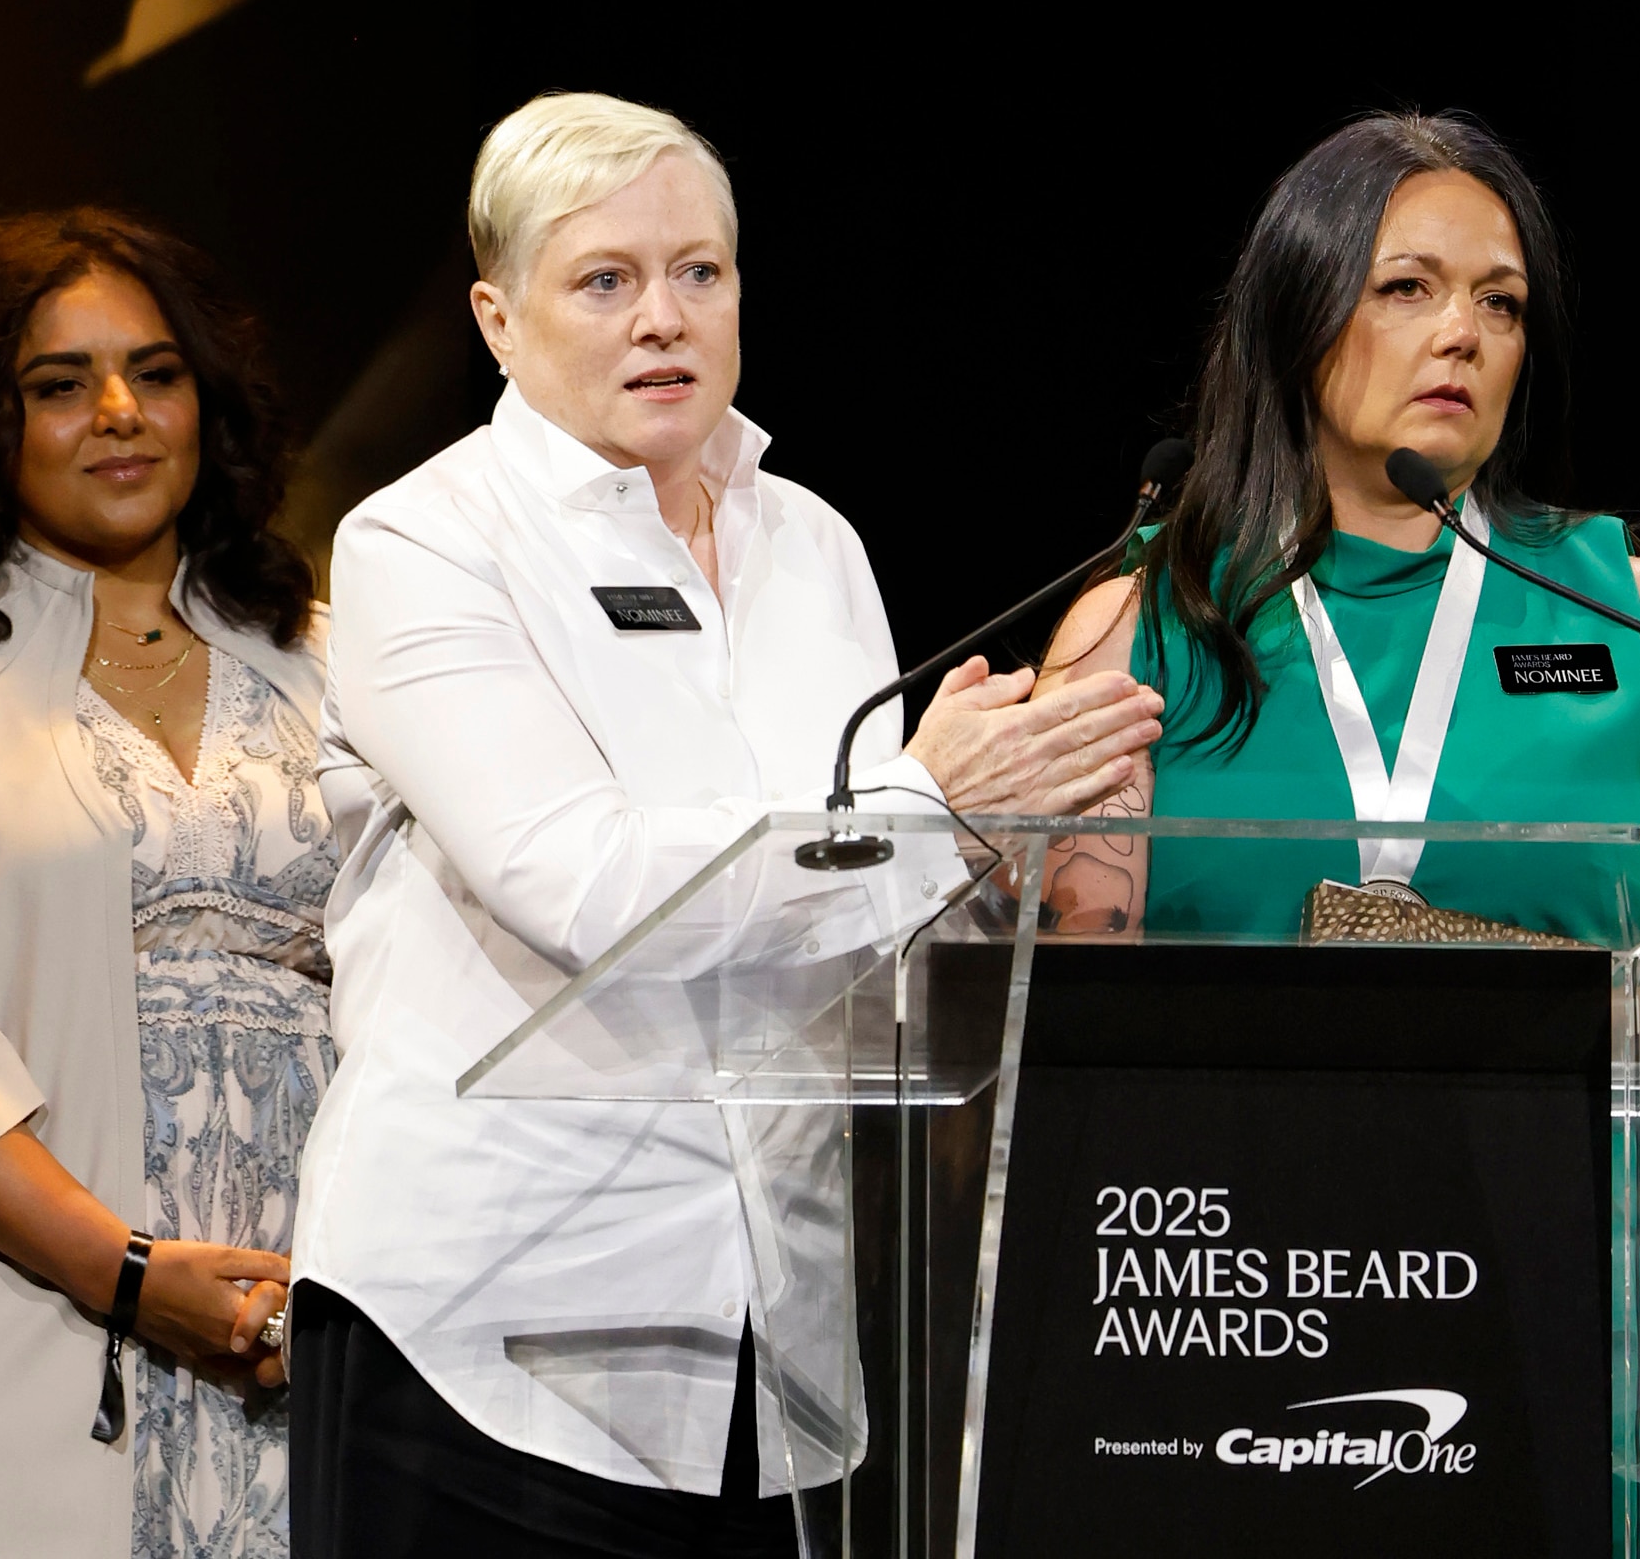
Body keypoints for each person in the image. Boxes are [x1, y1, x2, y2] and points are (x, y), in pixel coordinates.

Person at [288, 92, 1162, 1559]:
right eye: (606, 281)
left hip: (780, 1330)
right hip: (492, 1322)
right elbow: (581, 885)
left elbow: (866, 918)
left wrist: (1008, 839)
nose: (664, 319)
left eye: (701, 273)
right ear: (498, 321)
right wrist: (923, 802)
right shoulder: (421, 543)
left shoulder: (811, 543)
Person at [1039, 112, 1640, 1555]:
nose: (1461, 332)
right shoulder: (1134, 632)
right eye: (1407, 287)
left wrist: (1443, 963)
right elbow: (1077, 996)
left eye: (1501, 300)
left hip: (1576, 1275)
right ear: (1298, 307)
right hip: (1240, 1299)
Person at [0, 209, 332, 1559]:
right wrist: (130, 1277)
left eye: (158, 371)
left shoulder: (334, 662)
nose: (120, 414)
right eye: (58, 384)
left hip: (326, 1356)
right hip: (32, 1334)